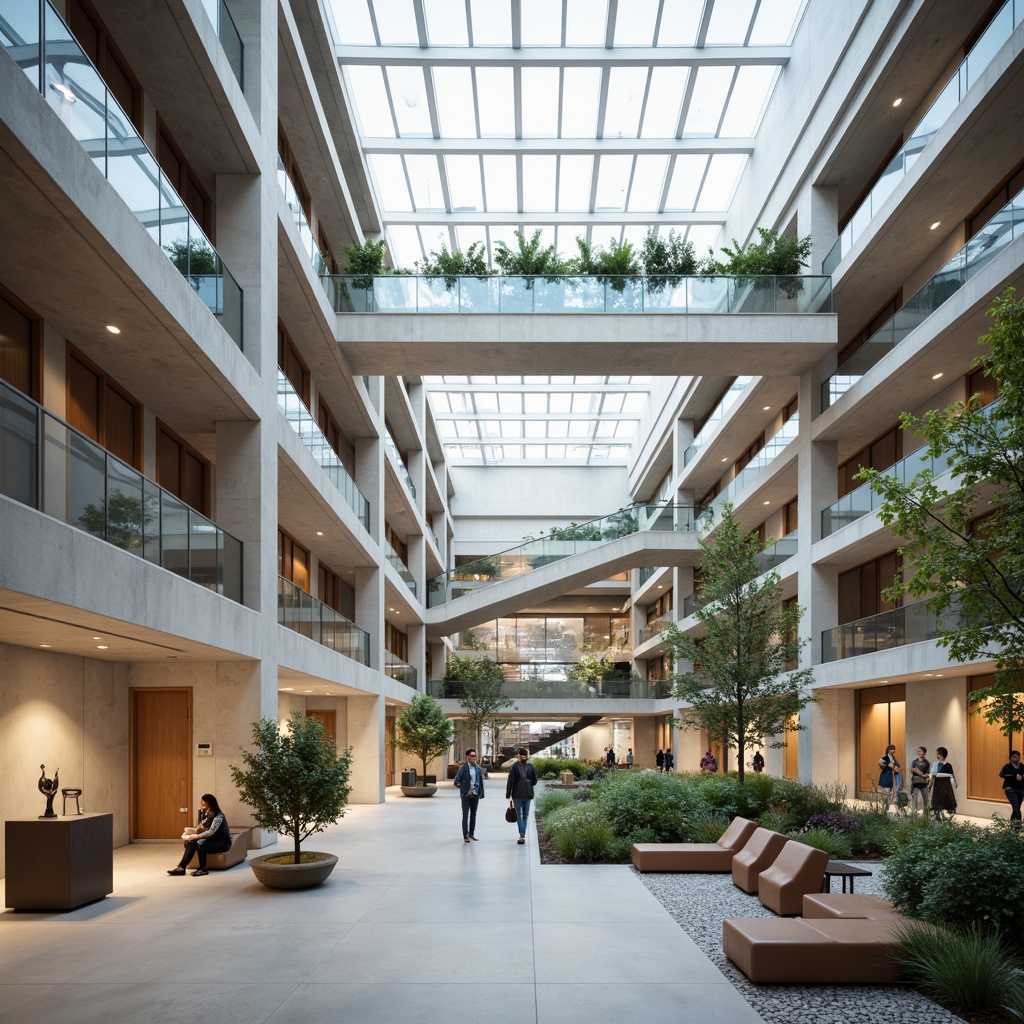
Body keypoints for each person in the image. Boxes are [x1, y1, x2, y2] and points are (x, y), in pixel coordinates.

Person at [168, 794, 231, 876]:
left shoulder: (219, 816)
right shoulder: (206, 814)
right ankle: (181, 867)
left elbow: (210, 832)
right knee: (191, 843)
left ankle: (203, 869)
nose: (201, 806)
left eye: (203, 804)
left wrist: (196, 836)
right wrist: (193, 834)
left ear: (210, 805)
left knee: (202, 846)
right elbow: (201, 828)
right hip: (210, 840)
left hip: (222, 843)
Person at [506, 748, 538, 845]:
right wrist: (508, 793)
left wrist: (528, 783)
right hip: (517, 795)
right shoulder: (515, 767)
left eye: (525, 756)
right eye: (522, 756)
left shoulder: (530, 767)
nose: (524, 757)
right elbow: (510, 780)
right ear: (519, 756)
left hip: (527, 795)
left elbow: (535, 779)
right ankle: (522, 834)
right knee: (519, 815)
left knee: (525, 815)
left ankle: (522, 834)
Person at [453, 748, 485, 842]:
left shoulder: (477, 768)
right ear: (468, 757)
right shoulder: (463, 768)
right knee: (465, 815)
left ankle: (472, 834)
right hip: (466, 795)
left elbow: (480, 782)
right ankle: (465, 835)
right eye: (471, 756)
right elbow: (456, 781)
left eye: (474, 755)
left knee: (473, 815)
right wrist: (463, 789)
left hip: (475, 794)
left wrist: (481, 793)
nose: (473, 757)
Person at [930, 747, 957, 821]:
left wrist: (938, 774)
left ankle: (945, 816)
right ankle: (937, 815)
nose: (938, 756)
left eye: (938, 754)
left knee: (945, 800)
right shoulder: (935, 764)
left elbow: (951, 775)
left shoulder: (948, 765)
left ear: (942, 755)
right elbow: (932, 774)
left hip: (945, 785)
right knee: (937, 800)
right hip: (937, 785)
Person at [998, 749, 1023, 822]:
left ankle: (1013, 824)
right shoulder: (1007, 766)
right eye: (1014, 756)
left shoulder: (1021, 766)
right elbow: (1001, 774)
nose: (1016, 758)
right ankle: (1018, 825)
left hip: (1020, 789)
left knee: (1017, 808)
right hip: (1010, 789)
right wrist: (1014, 776)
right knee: (1016, 808)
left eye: (1018, 757)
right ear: (1010, 758)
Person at [877, 744, 901, 809]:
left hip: (891, 774)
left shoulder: (893, 757)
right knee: (886, 790)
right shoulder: (885, 757)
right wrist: (890, 766)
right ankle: (885, 805)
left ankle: (887, 804)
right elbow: (882, 764)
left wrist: (896, 768)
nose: (894, 750)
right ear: (889, 750)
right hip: (886, 774)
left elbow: (896, 765)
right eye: (893, 749)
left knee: (890, 789)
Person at [909, 746, 931, 813]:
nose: (919, 752)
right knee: (915, 800)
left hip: (923, 783)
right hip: (915, 784)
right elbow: (912, 770)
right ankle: (914, 814)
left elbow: (927, 774)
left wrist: (922, 774)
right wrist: (917, 772)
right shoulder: (914, 761)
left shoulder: (927, 763)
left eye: (920, 751)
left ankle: (926, 815)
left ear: (924, 753)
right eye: (918, 751)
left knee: (926, 800)